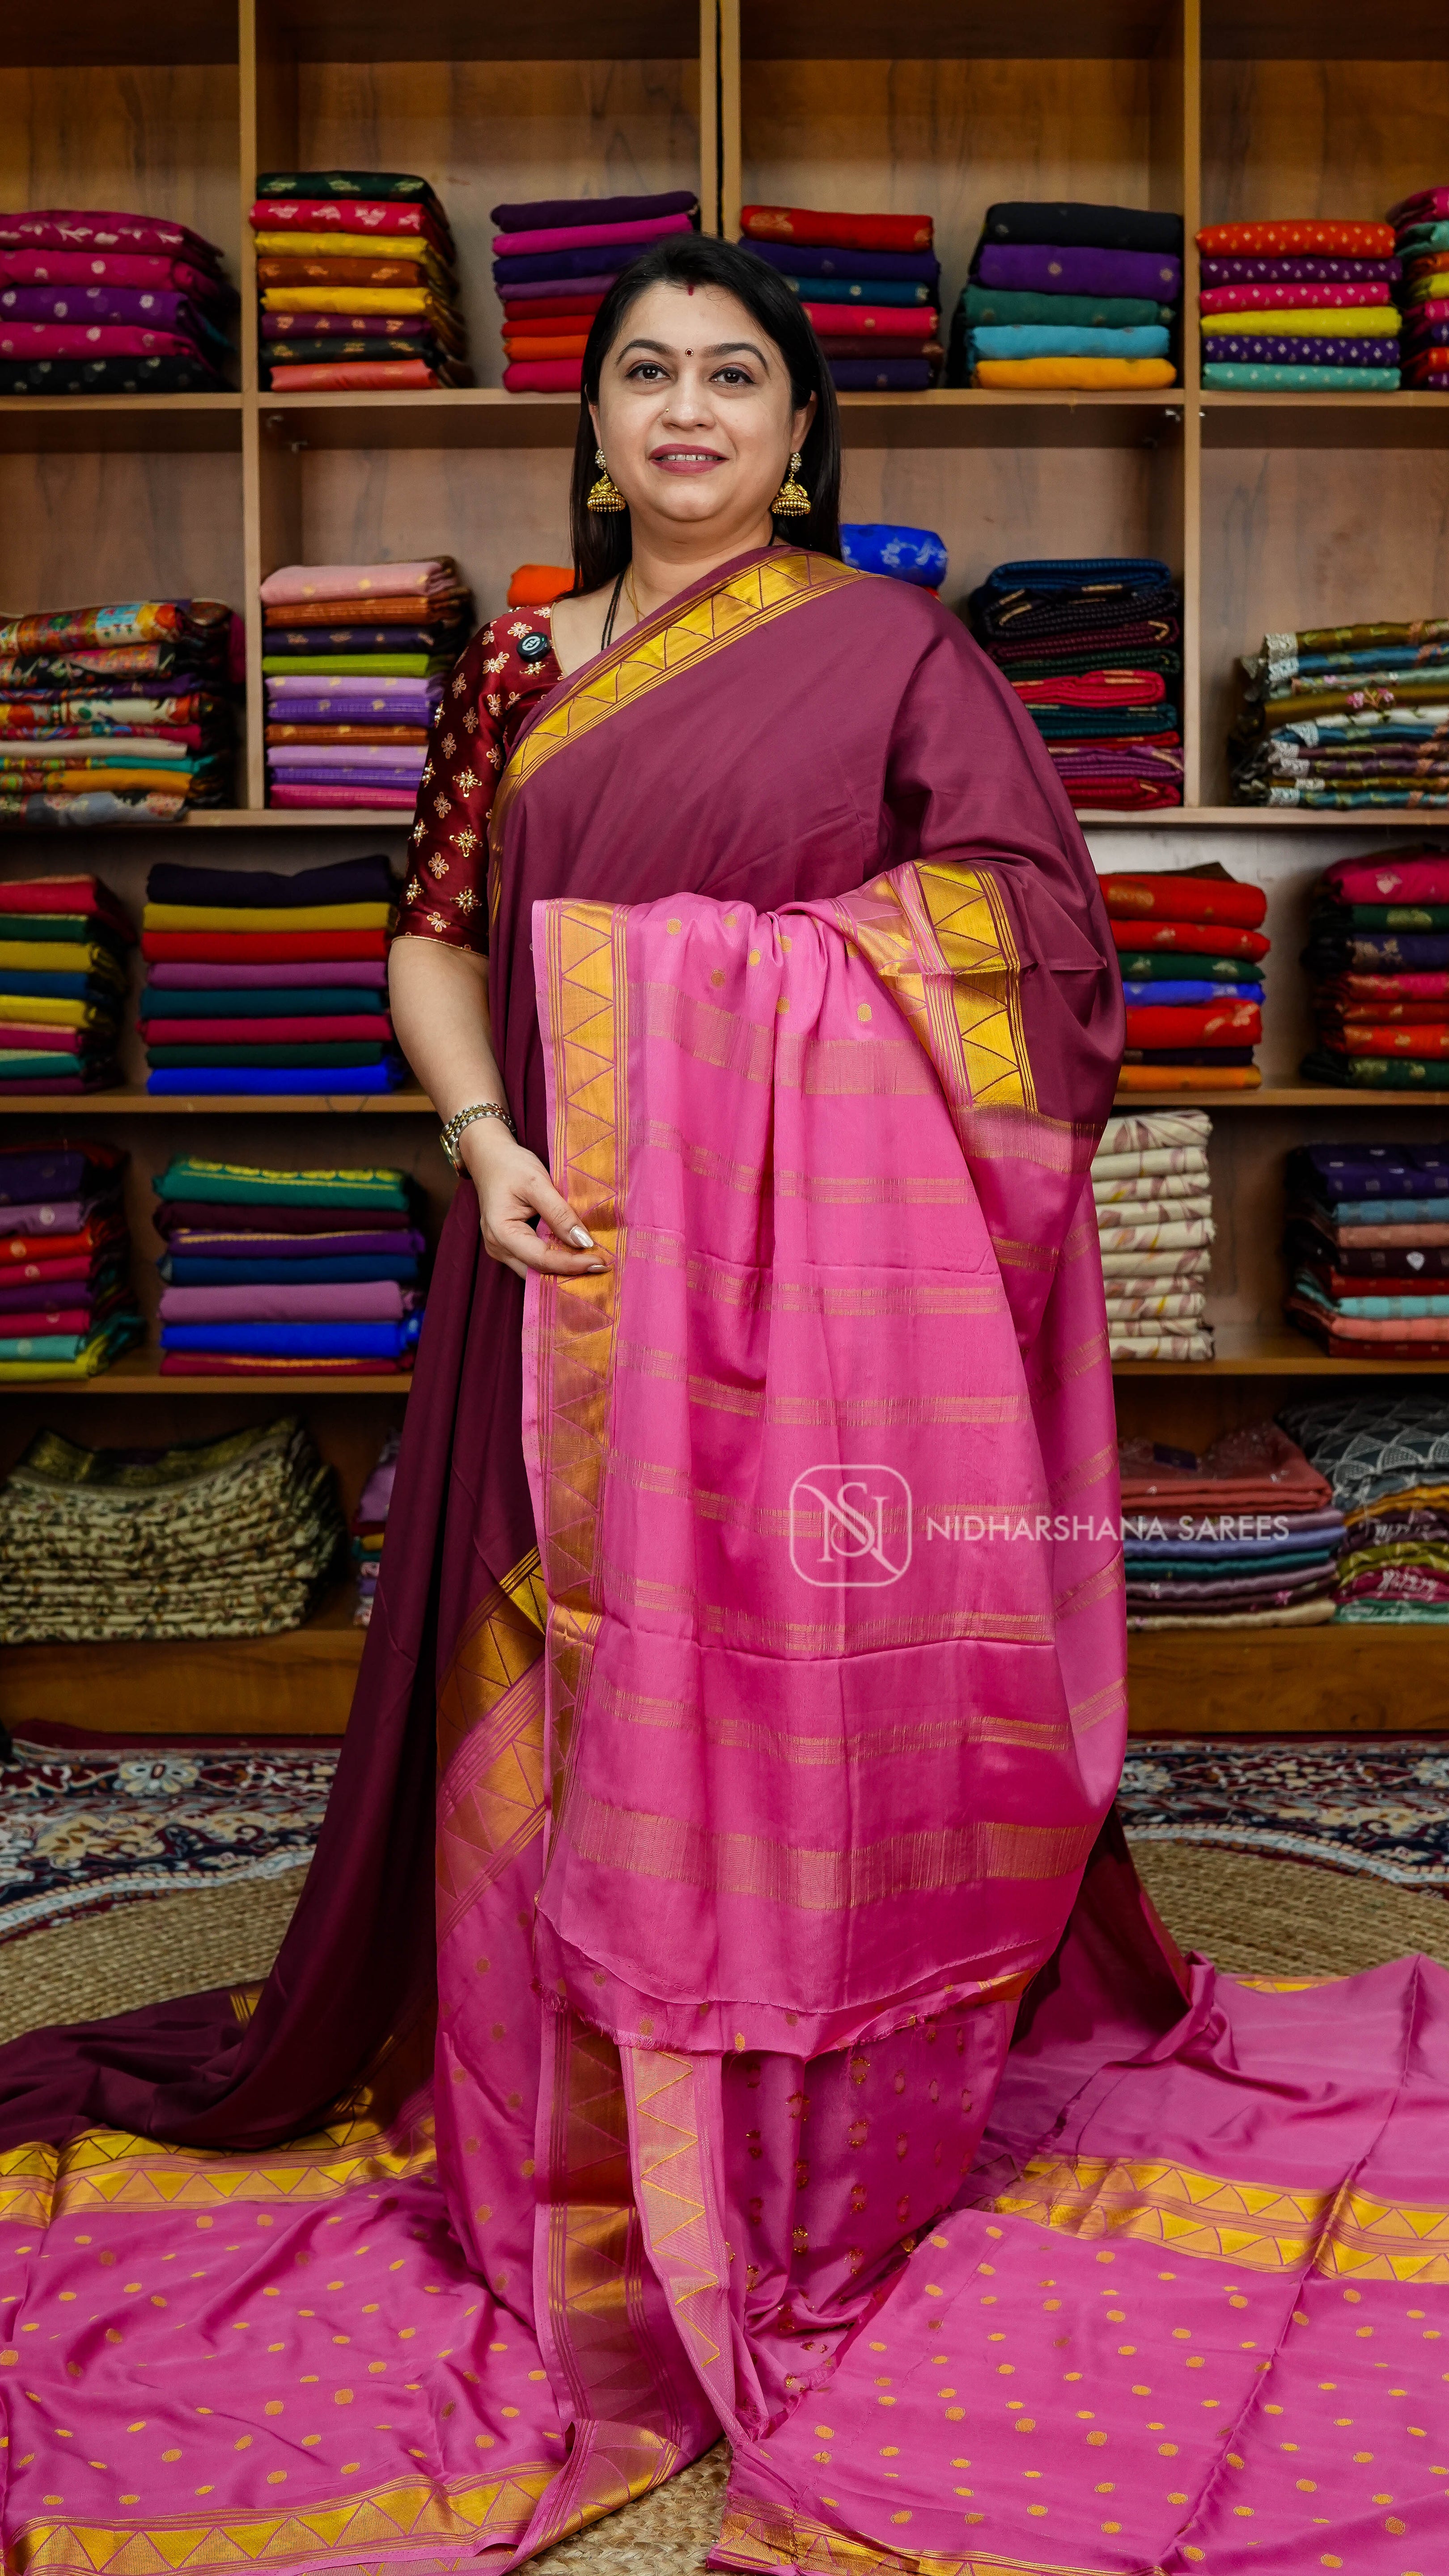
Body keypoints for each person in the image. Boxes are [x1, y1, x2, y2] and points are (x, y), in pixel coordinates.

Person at [3, 236, 1443, 2576]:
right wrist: (485, 1138)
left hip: (815, 1314)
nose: (688, 410)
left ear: (798, 432)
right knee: (560, 1667)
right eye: (648, 374)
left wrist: (699, 1013)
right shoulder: (510, 669)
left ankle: (801, 2092)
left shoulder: (895, 652)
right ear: (591, 430)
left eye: (735, 376)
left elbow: (1037, 951)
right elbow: (432, 938)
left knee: (792, 1685)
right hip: (560, 1262)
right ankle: (563, 2097)